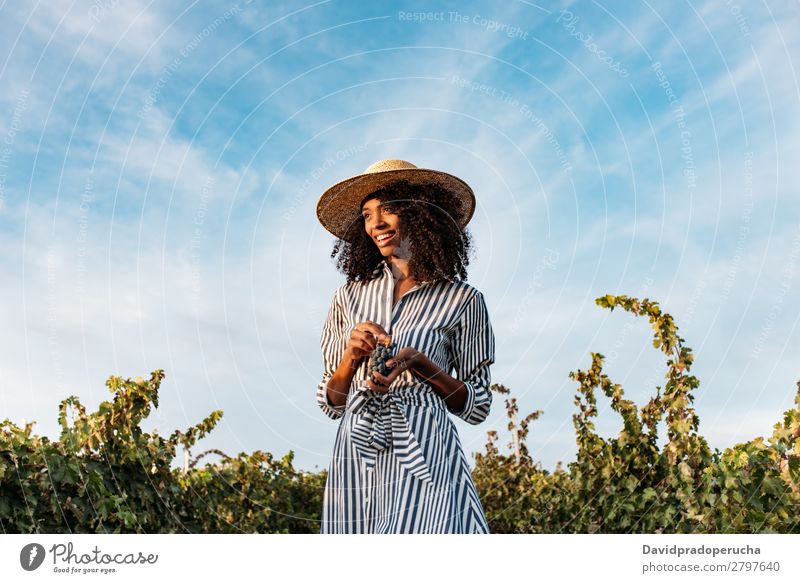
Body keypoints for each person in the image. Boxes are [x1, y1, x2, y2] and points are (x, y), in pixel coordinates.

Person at [314, 158, 496, 533]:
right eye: (367, 215)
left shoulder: (462, 300)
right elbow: (330, 402)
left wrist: (421, 364)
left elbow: (477, 406)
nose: (376, 224)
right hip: (359, 448)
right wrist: (350, 358)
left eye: (388, 210)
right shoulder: (348, 297)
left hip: (427, 447)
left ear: (420, 214)